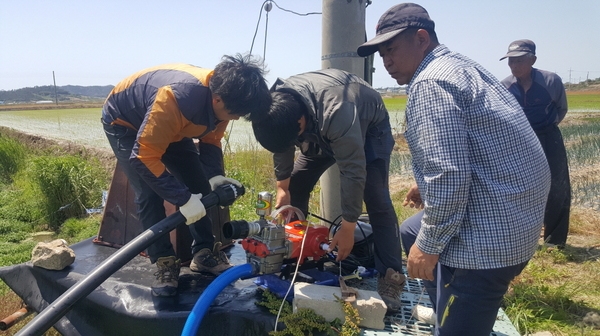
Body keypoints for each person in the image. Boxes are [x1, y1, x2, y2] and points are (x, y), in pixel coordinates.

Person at [357, 3, 551, 335]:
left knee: (423, 243)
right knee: (409, 231)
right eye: (380, 54)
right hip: (518, 220)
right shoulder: (458, 66)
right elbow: (467, 147)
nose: (385, 60)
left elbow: (449, 176)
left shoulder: (430, 82)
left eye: (391, 49)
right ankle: (448, 306)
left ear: (421, 38)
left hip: (490, 242)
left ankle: (458, 313)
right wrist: (424, 187)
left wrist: (429, 246)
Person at [101, 54, 271, 297]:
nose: (235, 119)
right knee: (149, 193)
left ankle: (204, 253)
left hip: (172, 125)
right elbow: (144, 157)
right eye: (235, 114)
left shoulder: (223, 98)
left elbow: (211, 138)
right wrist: (182, 199)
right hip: (126, 123)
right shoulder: (175, 98)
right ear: (217, 99)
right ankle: (164, 263)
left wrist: (214, 177)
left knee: (199, 184)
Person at [251, 68, 406, 312]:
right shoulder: (275, 106)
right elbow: (281, 143)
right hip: (318, 126)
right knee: (298, 181)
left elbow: (353, 171)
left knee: (376, 197)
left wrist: (348, 226)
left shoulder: (337, 111)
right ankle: (299, 253)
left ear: (300, 123)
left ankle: (391, 277)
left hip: (368, 128)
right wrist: (283, 187)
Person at [500, 39, 571, 248]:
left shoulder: (551, 81)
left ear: (533, 60)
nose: (514, 66)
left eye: (519, 60)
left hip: (548, 136)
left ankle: (554, 241)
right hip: (519, 140)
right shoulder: (505, 86)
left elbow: (561, 109)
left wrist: (546, 129)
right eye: (511, 61)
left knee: (558, 187)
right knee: (517, 187)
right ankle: (520, 237)